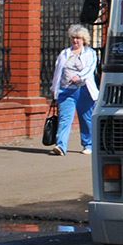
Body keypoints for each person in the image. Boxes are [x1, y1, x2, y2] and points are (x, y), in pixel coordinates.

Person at [50, 23, 98, 156]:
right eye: (73, 38)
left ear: (84, 40)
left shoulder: (90, 53)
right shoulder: (64, 53)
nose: (75, 41)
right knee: (65, 119)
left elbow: (90, 69)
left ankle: (88, 144)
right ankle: (60, 146)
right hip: (66, 91)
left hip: (84, 91)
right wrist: (54, 88)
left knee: (86, 119)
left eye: (78, 38)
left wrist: (79, 76)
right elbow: (58, 72)